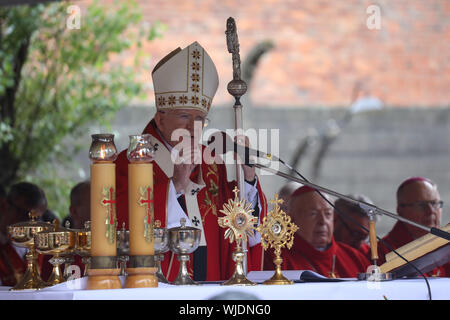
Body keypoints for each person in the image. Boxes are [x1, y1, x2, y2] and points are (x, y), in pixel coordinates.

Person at [115, 42, 267, 282]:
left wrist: (247, 177)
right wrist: (174, 185)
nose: (193, 127)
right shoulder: (130, 162)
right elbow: (123, 224)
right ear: (160, 118)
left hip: (213, 273)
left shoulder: (212, 161)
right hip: (160, 280)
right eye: (184, 116)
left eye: (201, 119)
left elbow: (239, 223)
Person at [264, 186, 370, 278]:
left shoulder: (354, 257)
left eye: (328, 214)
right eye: (313, 214)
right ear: (292, 219)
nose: (322, 221)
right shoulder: (274, 257)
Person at [377, 177, 449, 276]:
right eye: (421, 205)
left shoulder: (445, 244)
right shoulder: (382, 252)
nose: (431, 211)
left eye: (434, 203)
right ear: (400, 209)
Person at [0, 182, 48, 286]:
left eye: (37, 218)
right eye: (26, 216)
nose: (32, 225)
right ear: (4, 206)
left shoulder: (43, 249)